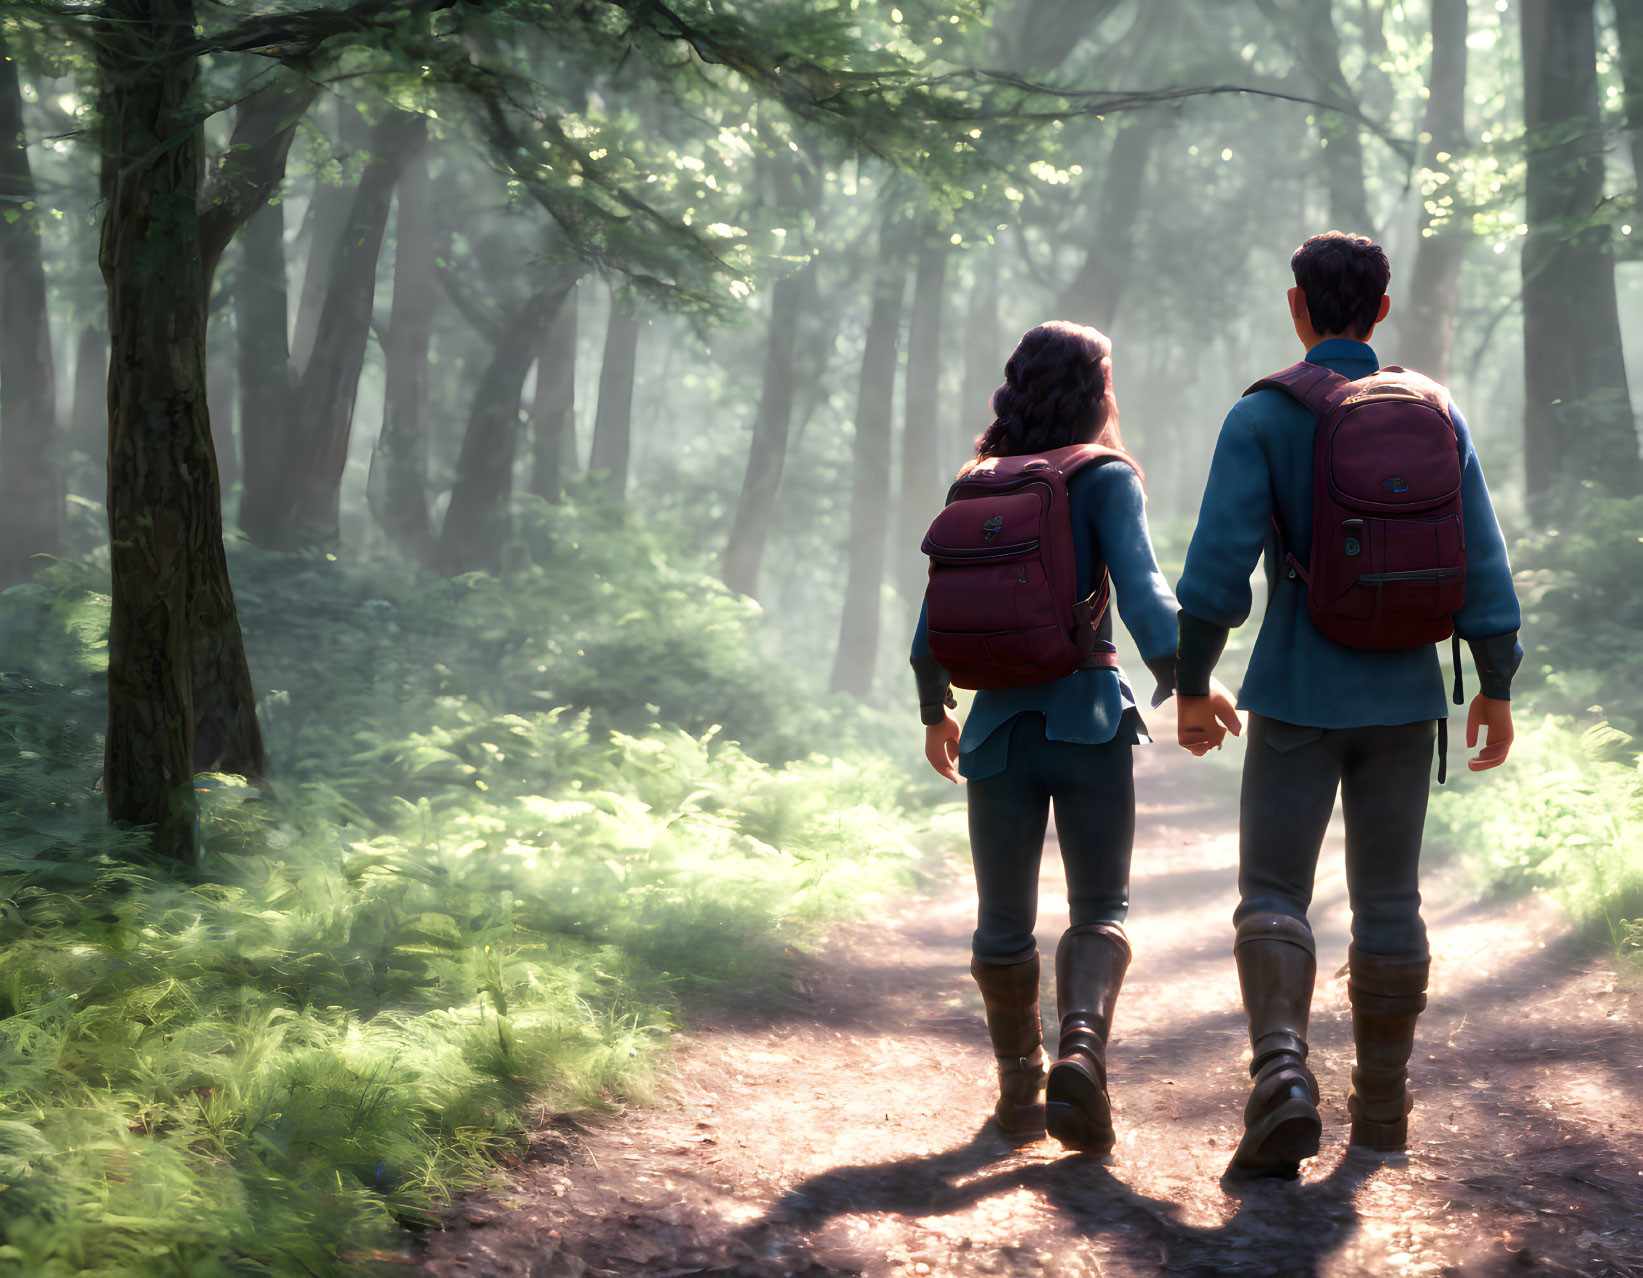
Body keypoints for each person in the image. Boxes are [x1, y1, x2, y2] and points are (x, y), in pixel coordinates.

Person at [1174, 231, 1522, 1178]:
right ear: (1380, 308)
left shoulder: (1263, 415)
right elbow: (1481, 557)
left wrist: (1194, 681)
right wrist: (1494, 681)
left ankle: (1282, 1079)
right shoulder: (1434, 410)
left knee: (1273, 894)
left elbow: (1215, 574)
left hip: (1293, 694)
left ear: (1297, 307)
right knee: (1389, 898)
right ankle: (1381, 1115)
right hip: (1408, 696)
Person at [911, 321, 1238, 1154]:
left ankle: (1018, 1092)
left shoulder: (974, 481)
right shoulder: (1102, 476)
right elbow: (1144, 596)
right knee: (1100, 906)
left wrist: (933, 710)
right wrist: (1189, 687)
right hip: (1089, 716)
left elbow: (930, 626)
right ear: (1095, 389)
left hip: (993, 729)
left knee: (1002, 919)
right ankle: (1081, 1058)